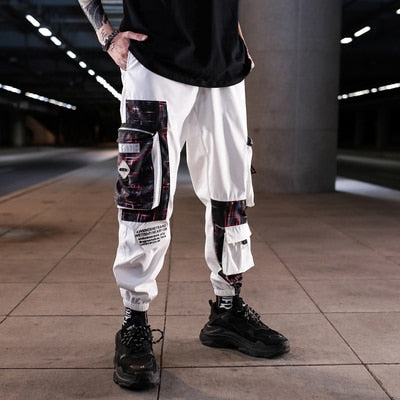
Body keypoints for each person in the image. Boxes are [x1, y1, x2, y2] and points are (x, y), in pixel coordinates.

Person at [78, 0, 290, 390]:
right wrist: (106, 35)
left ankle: (227, 310)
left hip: (224, 63)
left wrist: (235, 36)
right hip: (154, 55)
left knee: (231, 191)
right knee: (146, 195)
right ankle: (135, 320)